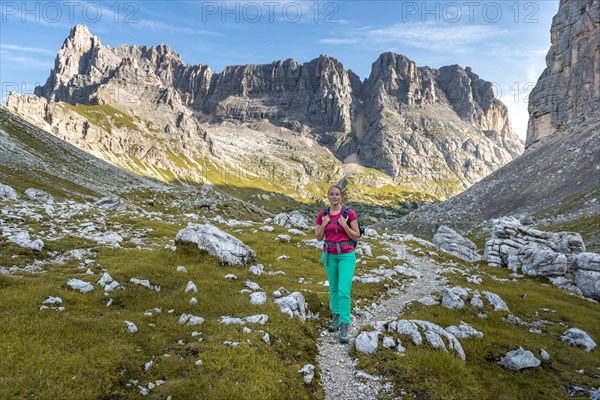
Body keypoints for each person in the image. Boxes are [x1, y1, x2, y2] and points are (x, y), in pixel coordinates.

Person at [315, 185, 360, 343]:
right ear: (328, 196)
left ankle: (344, 324)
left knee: (343, 290)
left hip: (346, 255)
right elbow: (318, 237)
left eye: (337, 194)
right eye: (331, 194)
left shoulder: (349, 213)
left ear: (341, 196)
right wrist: (324, 224)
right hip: (329, 255)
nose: (334, 197)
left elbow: (356, 236)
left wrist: (344, 224)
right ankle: (336, 317)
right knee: (333, 288)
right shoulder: (323, 214)